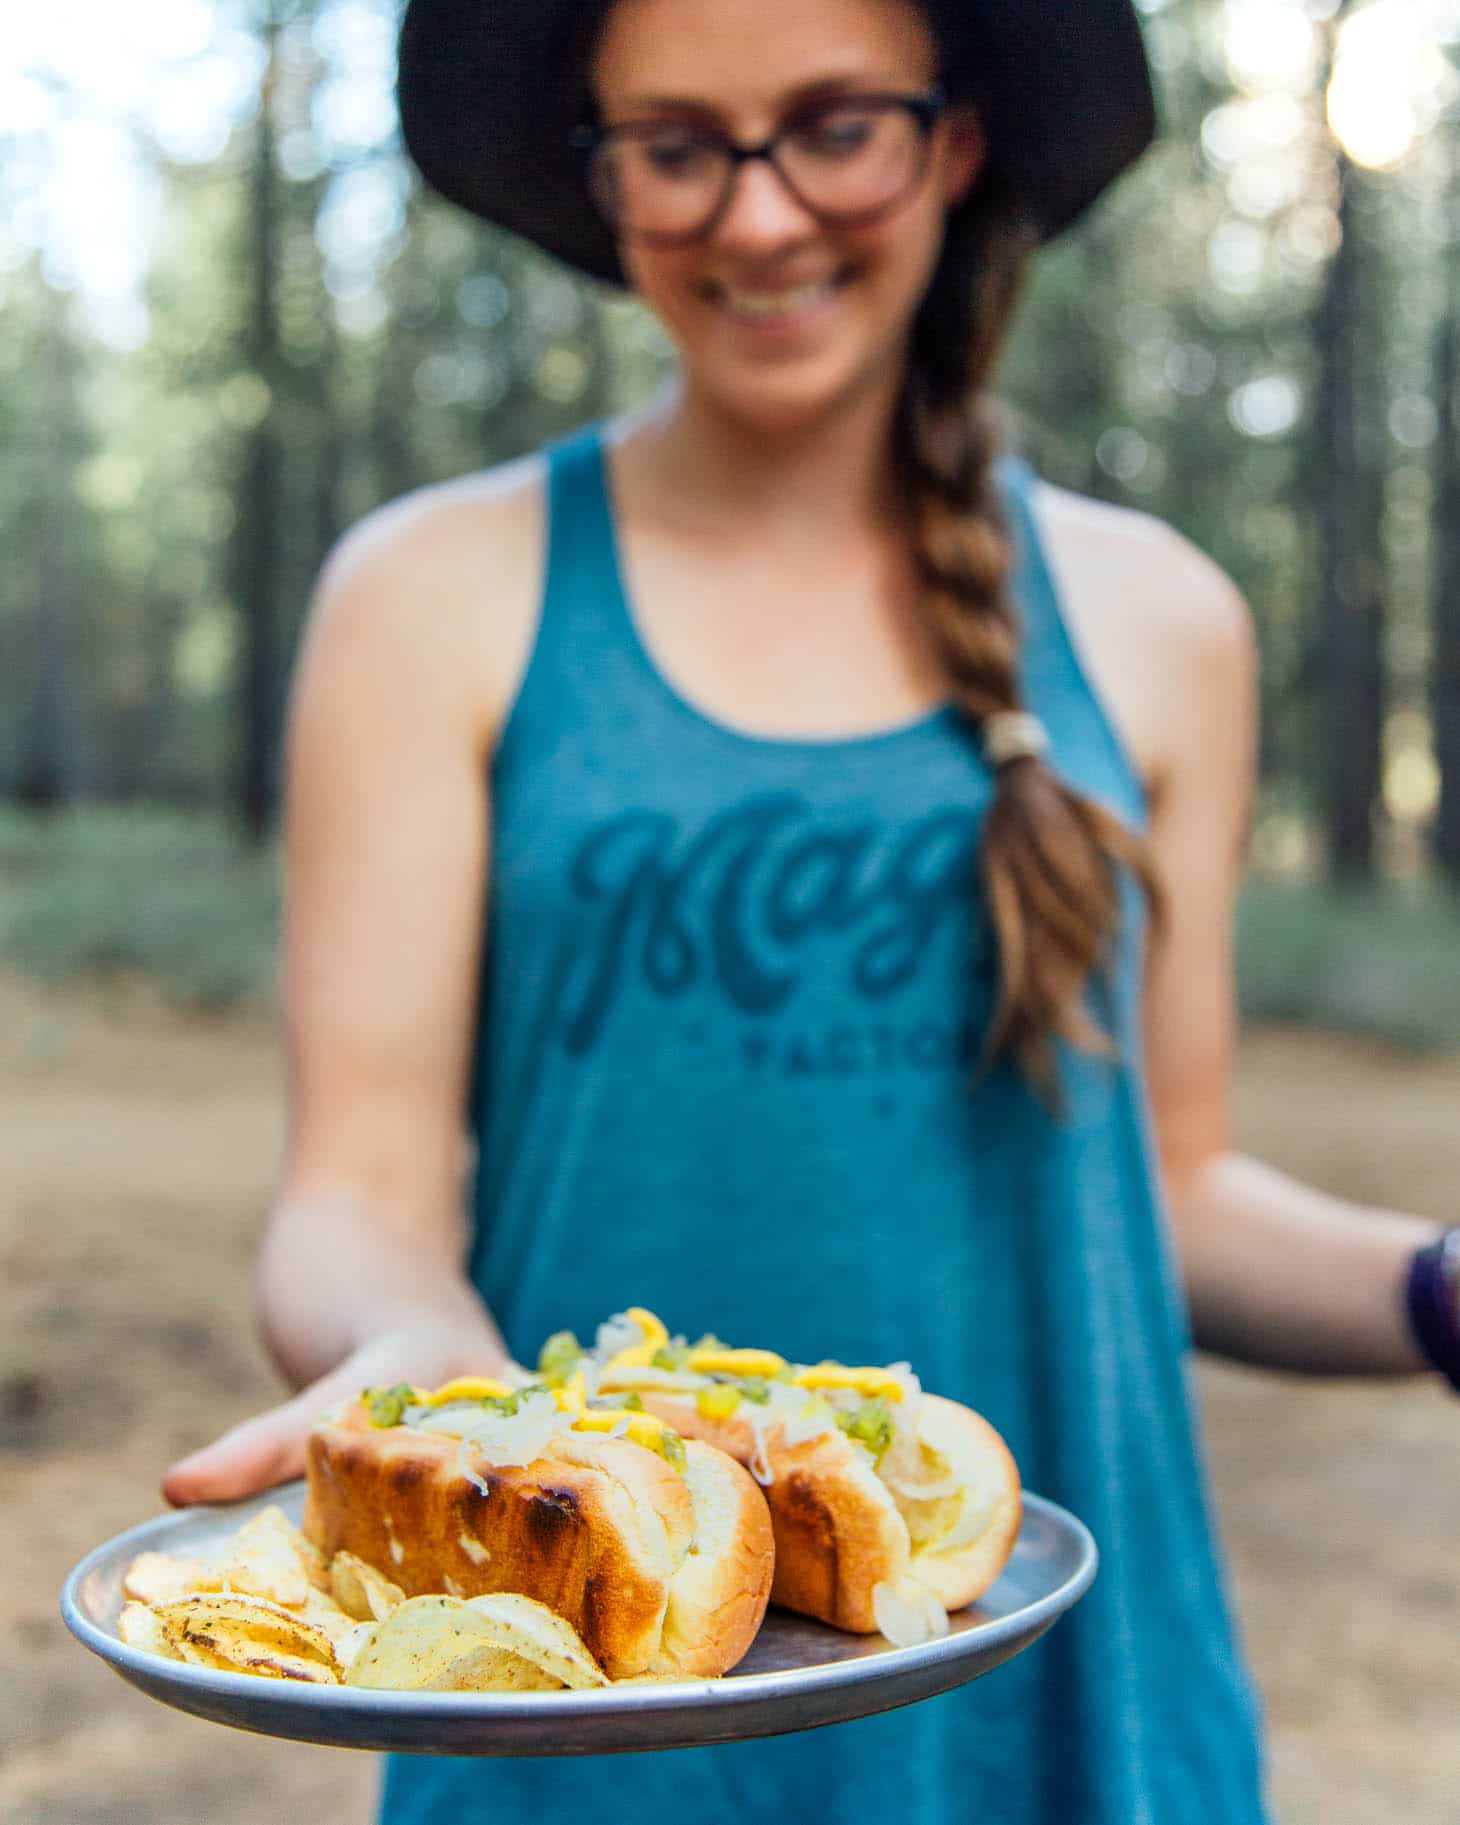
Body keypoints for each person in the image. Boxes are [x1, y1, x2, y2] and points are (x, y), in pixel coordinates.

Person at [161, 0, 1459, 1820]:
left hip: (1073, 1722)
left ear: (955, 144)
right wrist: (424, 1364)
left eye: (836, 126)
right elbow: (353, 1192)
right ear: (602, 182)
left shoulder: (1160, 619)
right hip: (599, 1695)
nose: (759, 219)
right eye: (680, 146)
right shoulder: (434, 599)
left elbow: (1174, 1187)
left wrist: (1435, 1290)